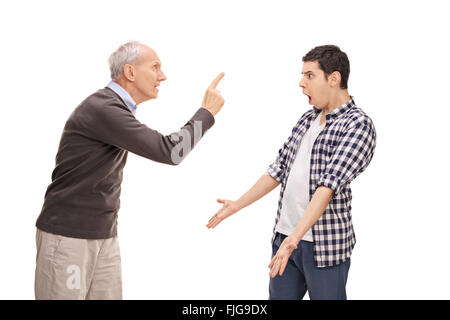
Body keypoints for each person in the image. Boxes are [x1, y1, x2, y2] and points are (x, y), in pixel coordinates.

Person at [35, 41, 225, 299]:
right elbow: (170, 151)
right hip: (69, 238)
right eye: (155, 67)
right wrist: (207, 112)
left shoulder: (115, 109)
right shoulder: (103, 108)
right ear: (130, 72)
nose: (163, 76)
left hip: (103, 234)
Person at [207, 45, 376, 300]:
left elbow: (328, 187)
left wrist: (294, 239)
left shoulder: (357, 124)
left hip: (323, 247)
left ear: (334, 78)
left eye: (309, 75)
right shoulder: (307, 120)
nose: (301, 83)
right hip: (284, 239)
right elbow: (278, 170)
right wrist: (237, 205)